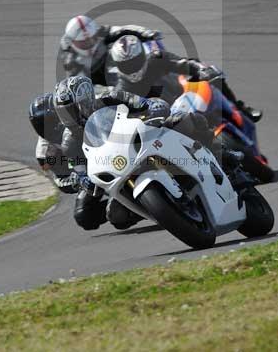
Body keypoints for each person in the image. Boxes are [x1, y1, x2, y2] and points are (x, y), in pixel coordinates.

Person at [51, 75, 247, 231]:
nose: (69, 117)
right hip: (115, 166)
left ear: (84, 101)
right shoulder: (69, 141)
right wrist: (83, 179)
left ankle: (225, 154)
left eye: (71, 110)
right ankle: (162, 211)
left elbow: (142, 103)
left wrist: (152, 110)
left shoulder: (109, 98)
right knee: (115, 217)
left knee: (185, 119)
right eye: (64, 113)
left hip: (141, 137)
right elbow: (78, 167)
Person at [108, 35, 262, 121]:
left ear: (142, 56)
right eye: (127, 65)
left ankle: (241, 109)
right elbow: (120, 118)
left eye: (135, 62)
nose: (132, 67)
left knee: (213, 77)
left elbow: (184, 63)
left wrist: (202, 69)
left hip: (185, 94)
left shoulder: (156, 59)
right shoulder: (121, 89)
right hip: (165, 121)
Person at [59, 15, 163, 85]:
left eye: (93, 38)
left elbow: (123, 30)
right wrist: (109, 91)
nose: (90, 44)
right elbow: (77, 85)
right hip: (94, 82)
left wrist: (146, 33)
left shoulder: (100, 32)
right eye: (84, 42)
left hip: (111, 65)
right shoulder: (70, 60)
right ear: (73, 41)